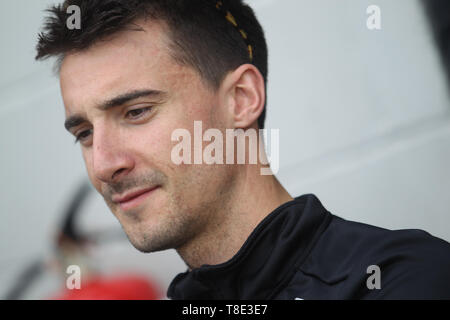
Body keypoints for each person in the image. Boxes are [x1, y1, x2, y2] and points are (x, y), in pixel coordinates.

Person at [35, 0, 450, 299]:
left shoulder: (406, 280)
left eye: (137, 112)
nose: (104, 164)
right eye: (85, 133)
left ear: (241, 99)